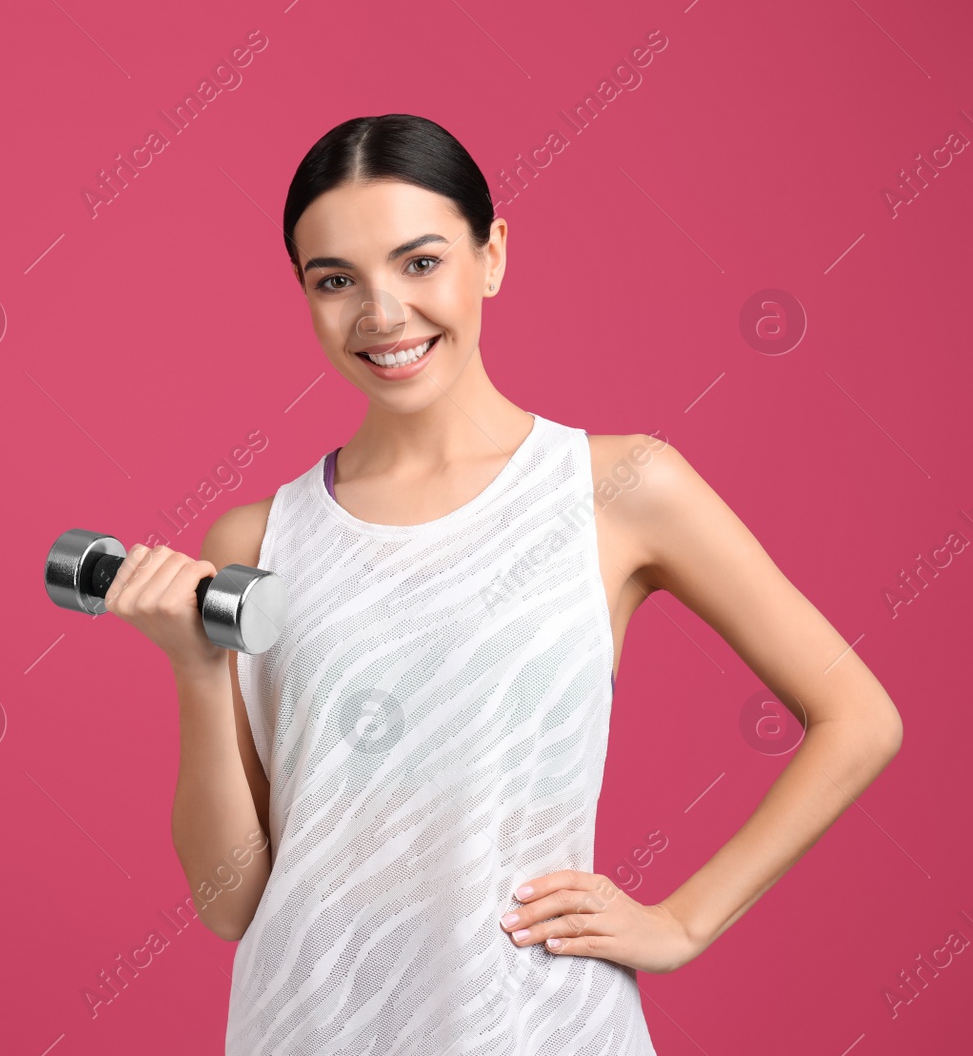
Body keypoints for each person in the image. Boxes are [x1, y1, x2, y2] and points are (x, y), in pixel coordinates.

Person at [101, 113, 902, 1055]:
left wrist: (684, 922)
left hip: (537, 1029)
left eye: (420, 262)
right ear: (304, 293)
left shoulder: (621, 487)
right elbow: (231, 901)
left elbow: (859, 717)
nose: (383, 313)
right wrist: (197, 671)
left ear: (493, 256)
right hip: (306, 1027)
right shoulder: (256, 537)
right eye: (336, 280)